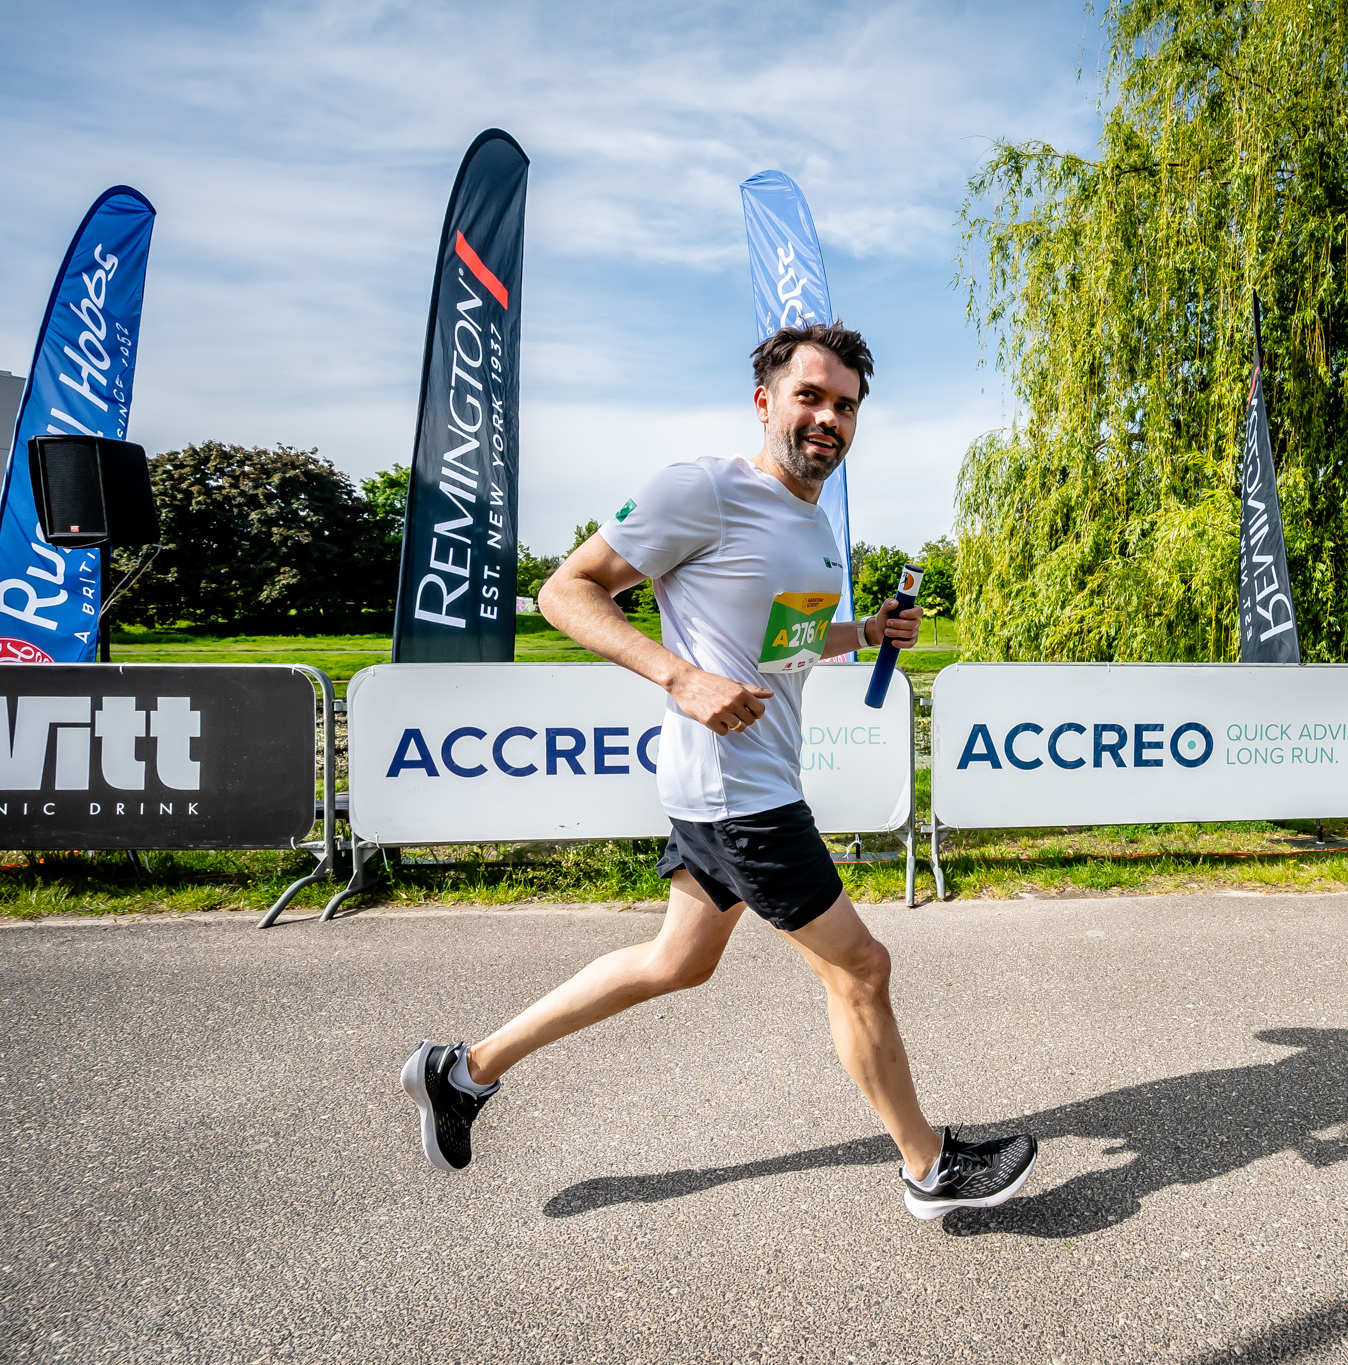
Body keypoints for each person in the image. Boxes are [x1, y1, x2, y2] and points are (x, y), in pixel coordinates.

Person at [401, 322, 1036, 1219]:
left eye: (846, 404)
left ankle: (462, 1071)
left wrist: (864, 632)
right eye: (810, 396)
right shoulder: (702, 488)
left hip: (740, 784)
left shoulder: (813, 522)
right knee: (861, 966)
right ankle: (928, 1167)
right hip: (741, 795)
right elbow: (565, 591)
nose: (829, 417)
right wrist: (680, 676)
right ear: (765, 401)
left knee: (677, 960)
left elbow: (782, 643)